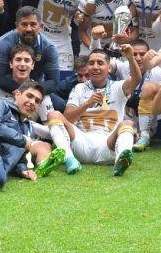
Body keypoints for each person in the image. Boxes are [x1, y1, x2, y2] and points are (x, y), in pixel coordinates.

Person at [45, 45, 142, 176]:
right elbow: (68, 118)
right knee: (53, 114)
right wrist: (87, 103)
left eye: (100, 63)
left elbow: (137, 79)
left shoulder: (118, 87)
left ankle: (120, 161)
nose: (95, 67)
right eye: (91, 63)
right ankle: (69, 159)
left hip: (108, 146)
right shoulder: (79, 88)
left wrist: (130, 57)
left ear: (109, 68)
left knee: (128, 124)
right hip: (81, 145)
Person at [110, 39, 161, 151]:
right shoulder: (124, 66)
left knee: (150, 88)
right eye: (134, 54)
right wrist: (97, 41)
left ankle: (143, 136)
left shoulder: (159, 72)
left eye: (142, 54)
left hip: (147, 126)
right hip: (124, 121)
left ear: (149, 55)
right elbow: (105, 64)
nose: (138, 58)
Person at [0, 6, 60, 96]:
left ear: (41, 27)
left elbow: (53, 82)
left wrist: (32, 92)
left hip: (36, 89)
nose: (28, 29)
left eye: (33, 24)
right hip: (7, 88)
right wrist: (21, 92)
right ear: (16, 26)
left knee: (61, 106)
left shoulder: (49, 48)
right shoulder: (3, 43)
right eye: (24, 24)